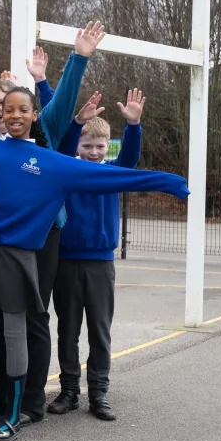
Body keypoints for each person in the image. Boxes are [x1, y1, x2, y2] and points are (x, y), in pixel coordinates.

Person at [0, 82, 188, 441]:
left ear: (33, 115)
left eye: (22, 109)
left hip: (17, 255)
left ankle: (12, 415)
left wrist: (169, 182)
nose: (13, 115)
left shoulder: (52, 163)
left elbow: (112, 176)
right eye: (7, 109)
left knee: (14, 331)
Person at [48, 89, 146, 422]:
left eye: (99, 147)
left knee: (100, 331)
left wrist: (133, 124)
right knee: (68, 330)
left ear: (108, 148)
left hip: (101, 263)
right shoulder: (67, 171)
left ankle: (99, 391)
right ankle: (69, 389)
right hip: (67, 262)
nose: (93, 152)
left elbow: (131, 157)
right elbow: (61, 146)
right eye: (87, 145)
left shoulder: (112, 172)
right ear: (78, 146)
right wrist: (76, 124)